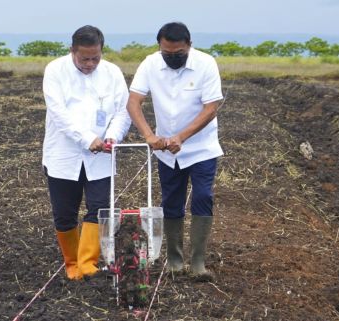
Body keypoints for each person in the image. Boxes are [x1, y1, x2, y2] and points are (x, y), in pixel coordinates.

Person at [127, 22, 223, 280]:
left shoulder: (205, 64)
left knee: (202, 196)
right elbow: (134, 101)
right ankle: (174, 260)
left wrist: (182, 136)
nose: (172, 58)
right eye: (167, 53)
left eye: (178, 53)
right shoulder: (150, 64)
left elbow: (211, 107)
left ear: (189, 46)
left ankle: (199, 262)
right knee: (171, 201)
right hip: (166, 151)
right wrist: (149, 135)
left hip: (201, 147)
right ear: (159, 47)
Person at [43, 25, 131, 280]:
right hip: (63, 154)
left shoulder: (112, 73)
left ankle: (88, 263)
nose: (90, 63)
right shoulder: (55, 70)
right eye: (84, 58)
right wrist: (87, 139)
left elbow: (123, 111)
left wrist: (113, 136)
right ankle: (72, 264)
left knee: (100, 207)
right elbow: (58, 113)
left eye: (96, 57)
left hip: (101, 155)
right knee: (64, 213)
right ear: (72, 51)